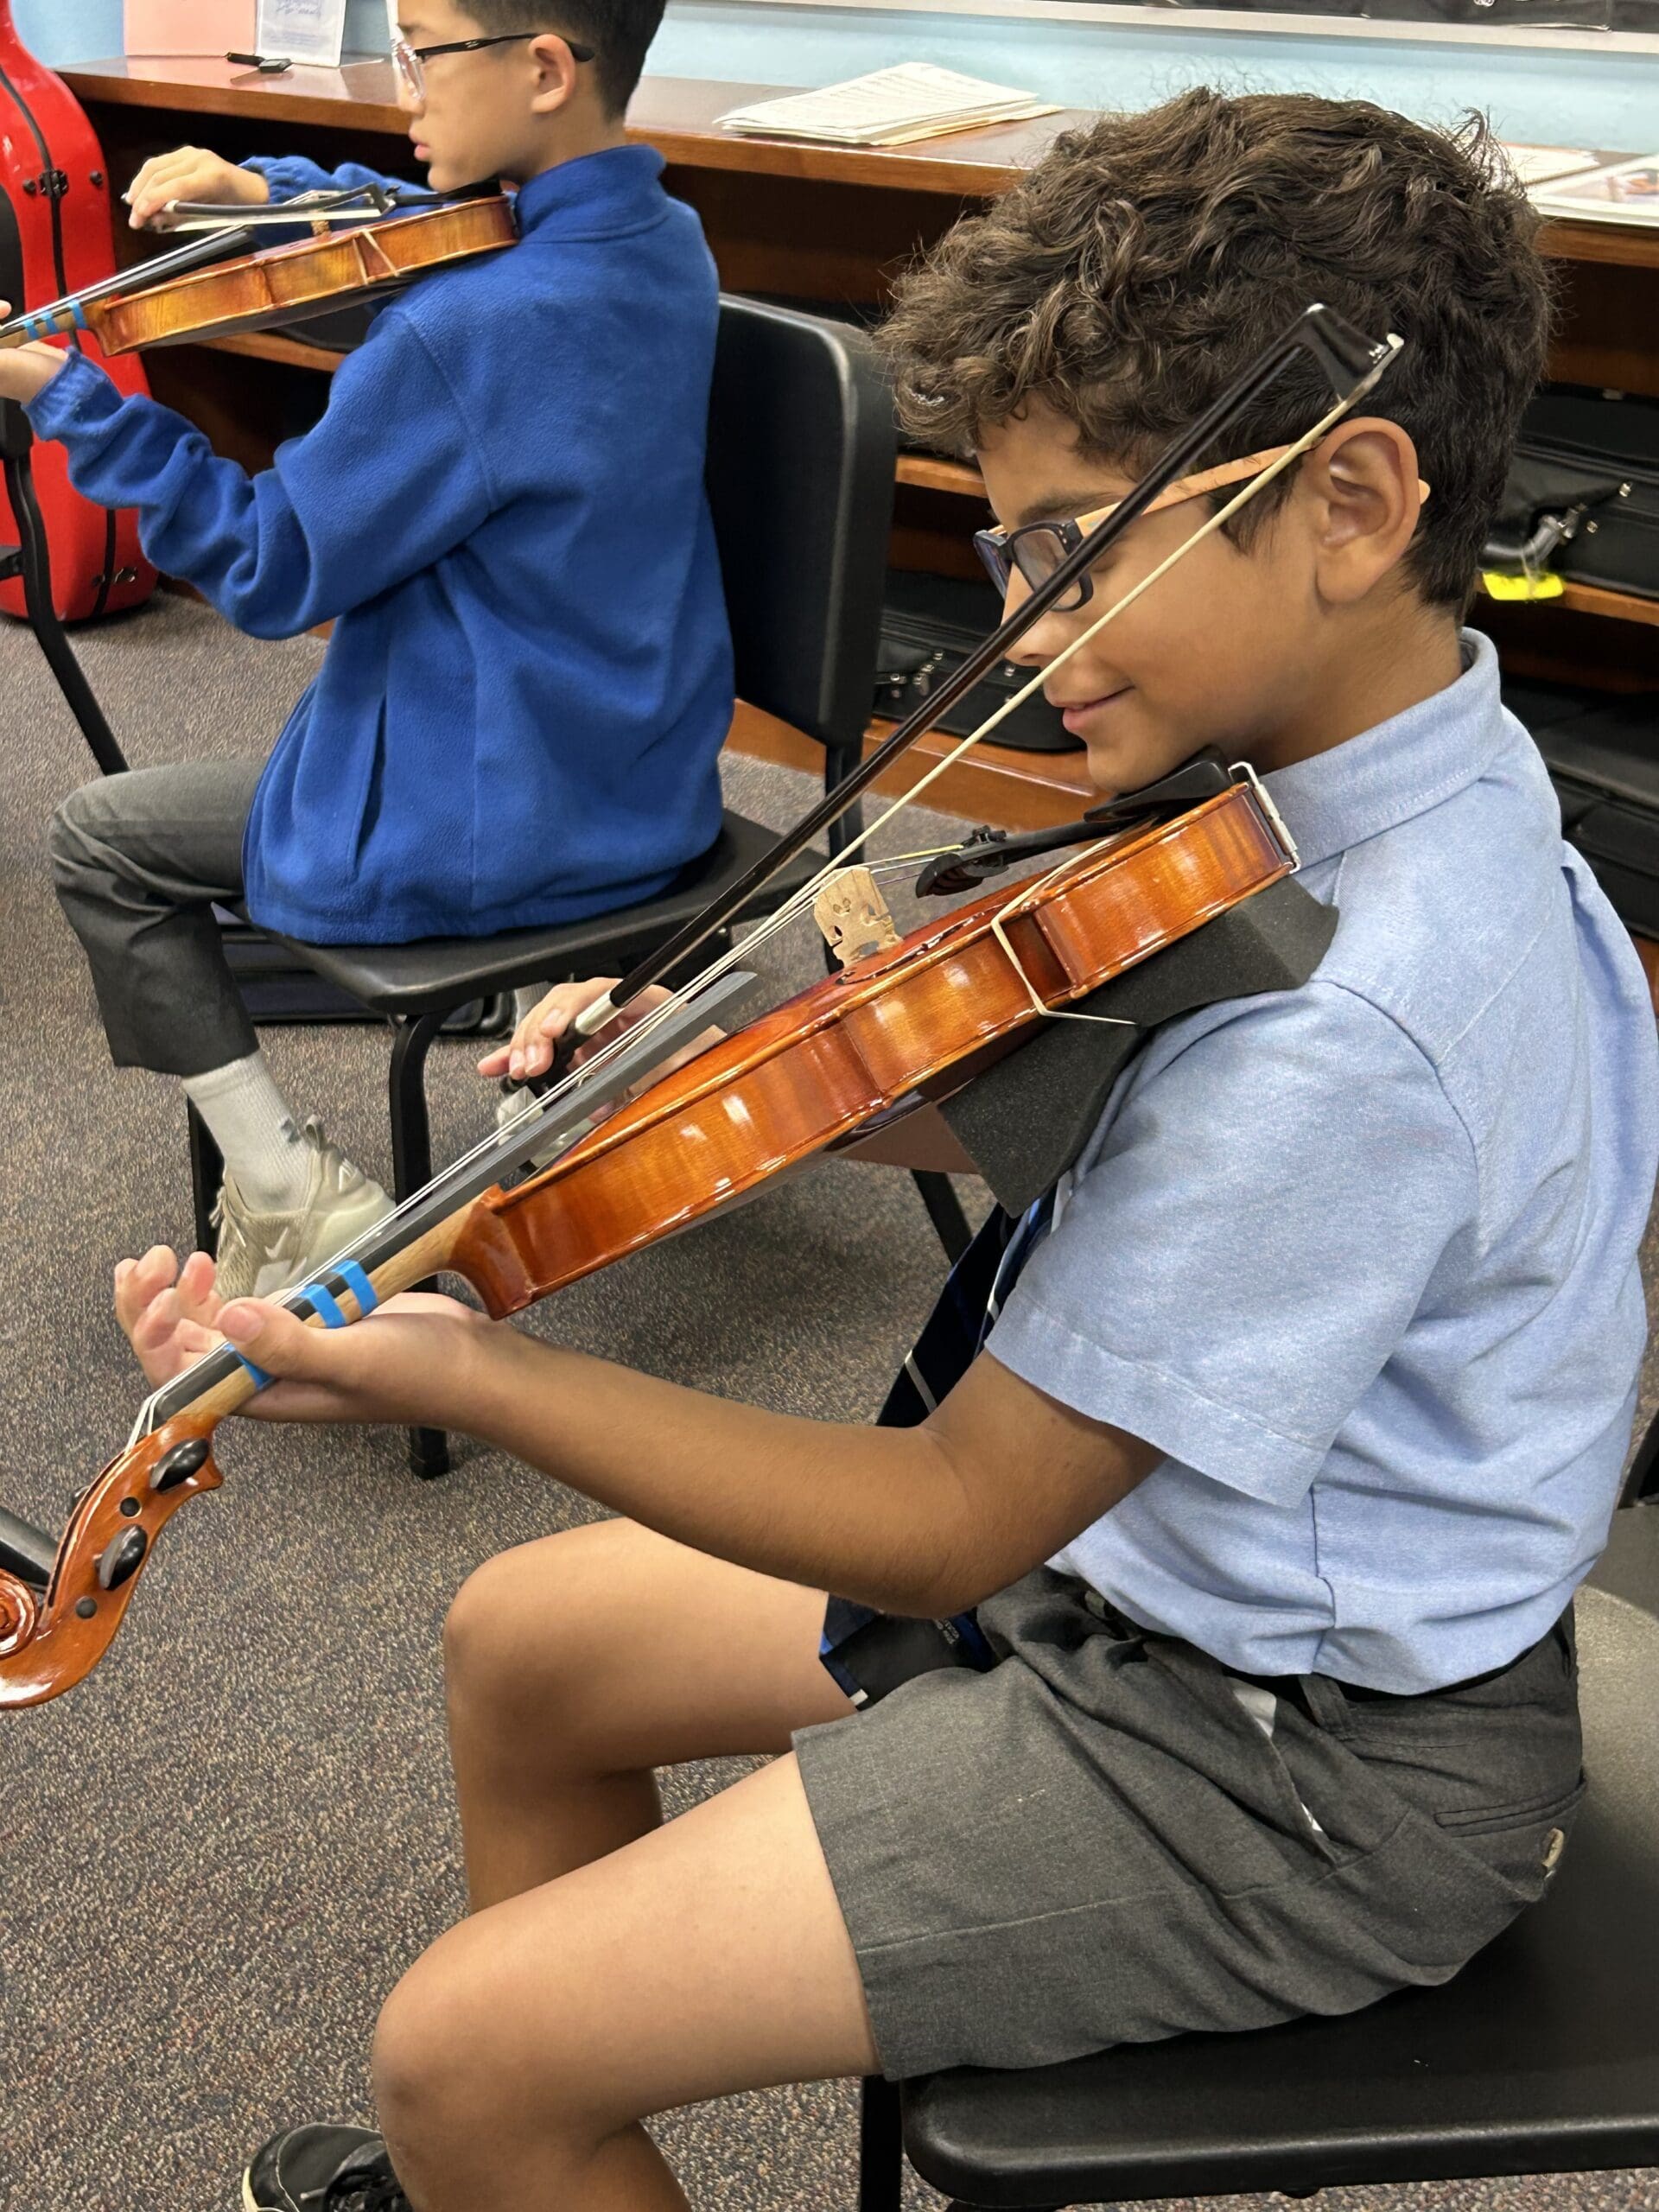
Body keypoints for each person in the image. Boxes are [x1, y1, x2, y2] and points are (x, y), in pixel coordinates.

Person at [116, 91, 1656, 2212]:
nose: (1017, 625)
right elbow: (1126, 1084)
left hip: (1287, 1761)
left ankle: (499, 2142)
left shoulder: (1364, 1017)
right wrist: (729, 1061)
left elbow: (951, 1517)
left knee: (457, 2050)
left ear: (1356, 496)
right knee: (522, 1645)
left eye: (1072, 549)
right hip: (1170, 1571)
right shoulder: (1344, 781)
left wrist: (477, 1367)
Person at [0, 0, 731, 1300]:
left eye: (423, 52)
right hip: (646, 783)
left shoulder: (470, 334)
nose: (405, 91)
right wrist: (272, 187)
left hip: (503, 822)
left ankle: (294, 1194)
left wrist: (66, 397)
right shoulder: (665, 242)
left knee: (99, 838)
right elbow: (447, 221)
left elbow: (272, 567)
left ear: (545, 68)